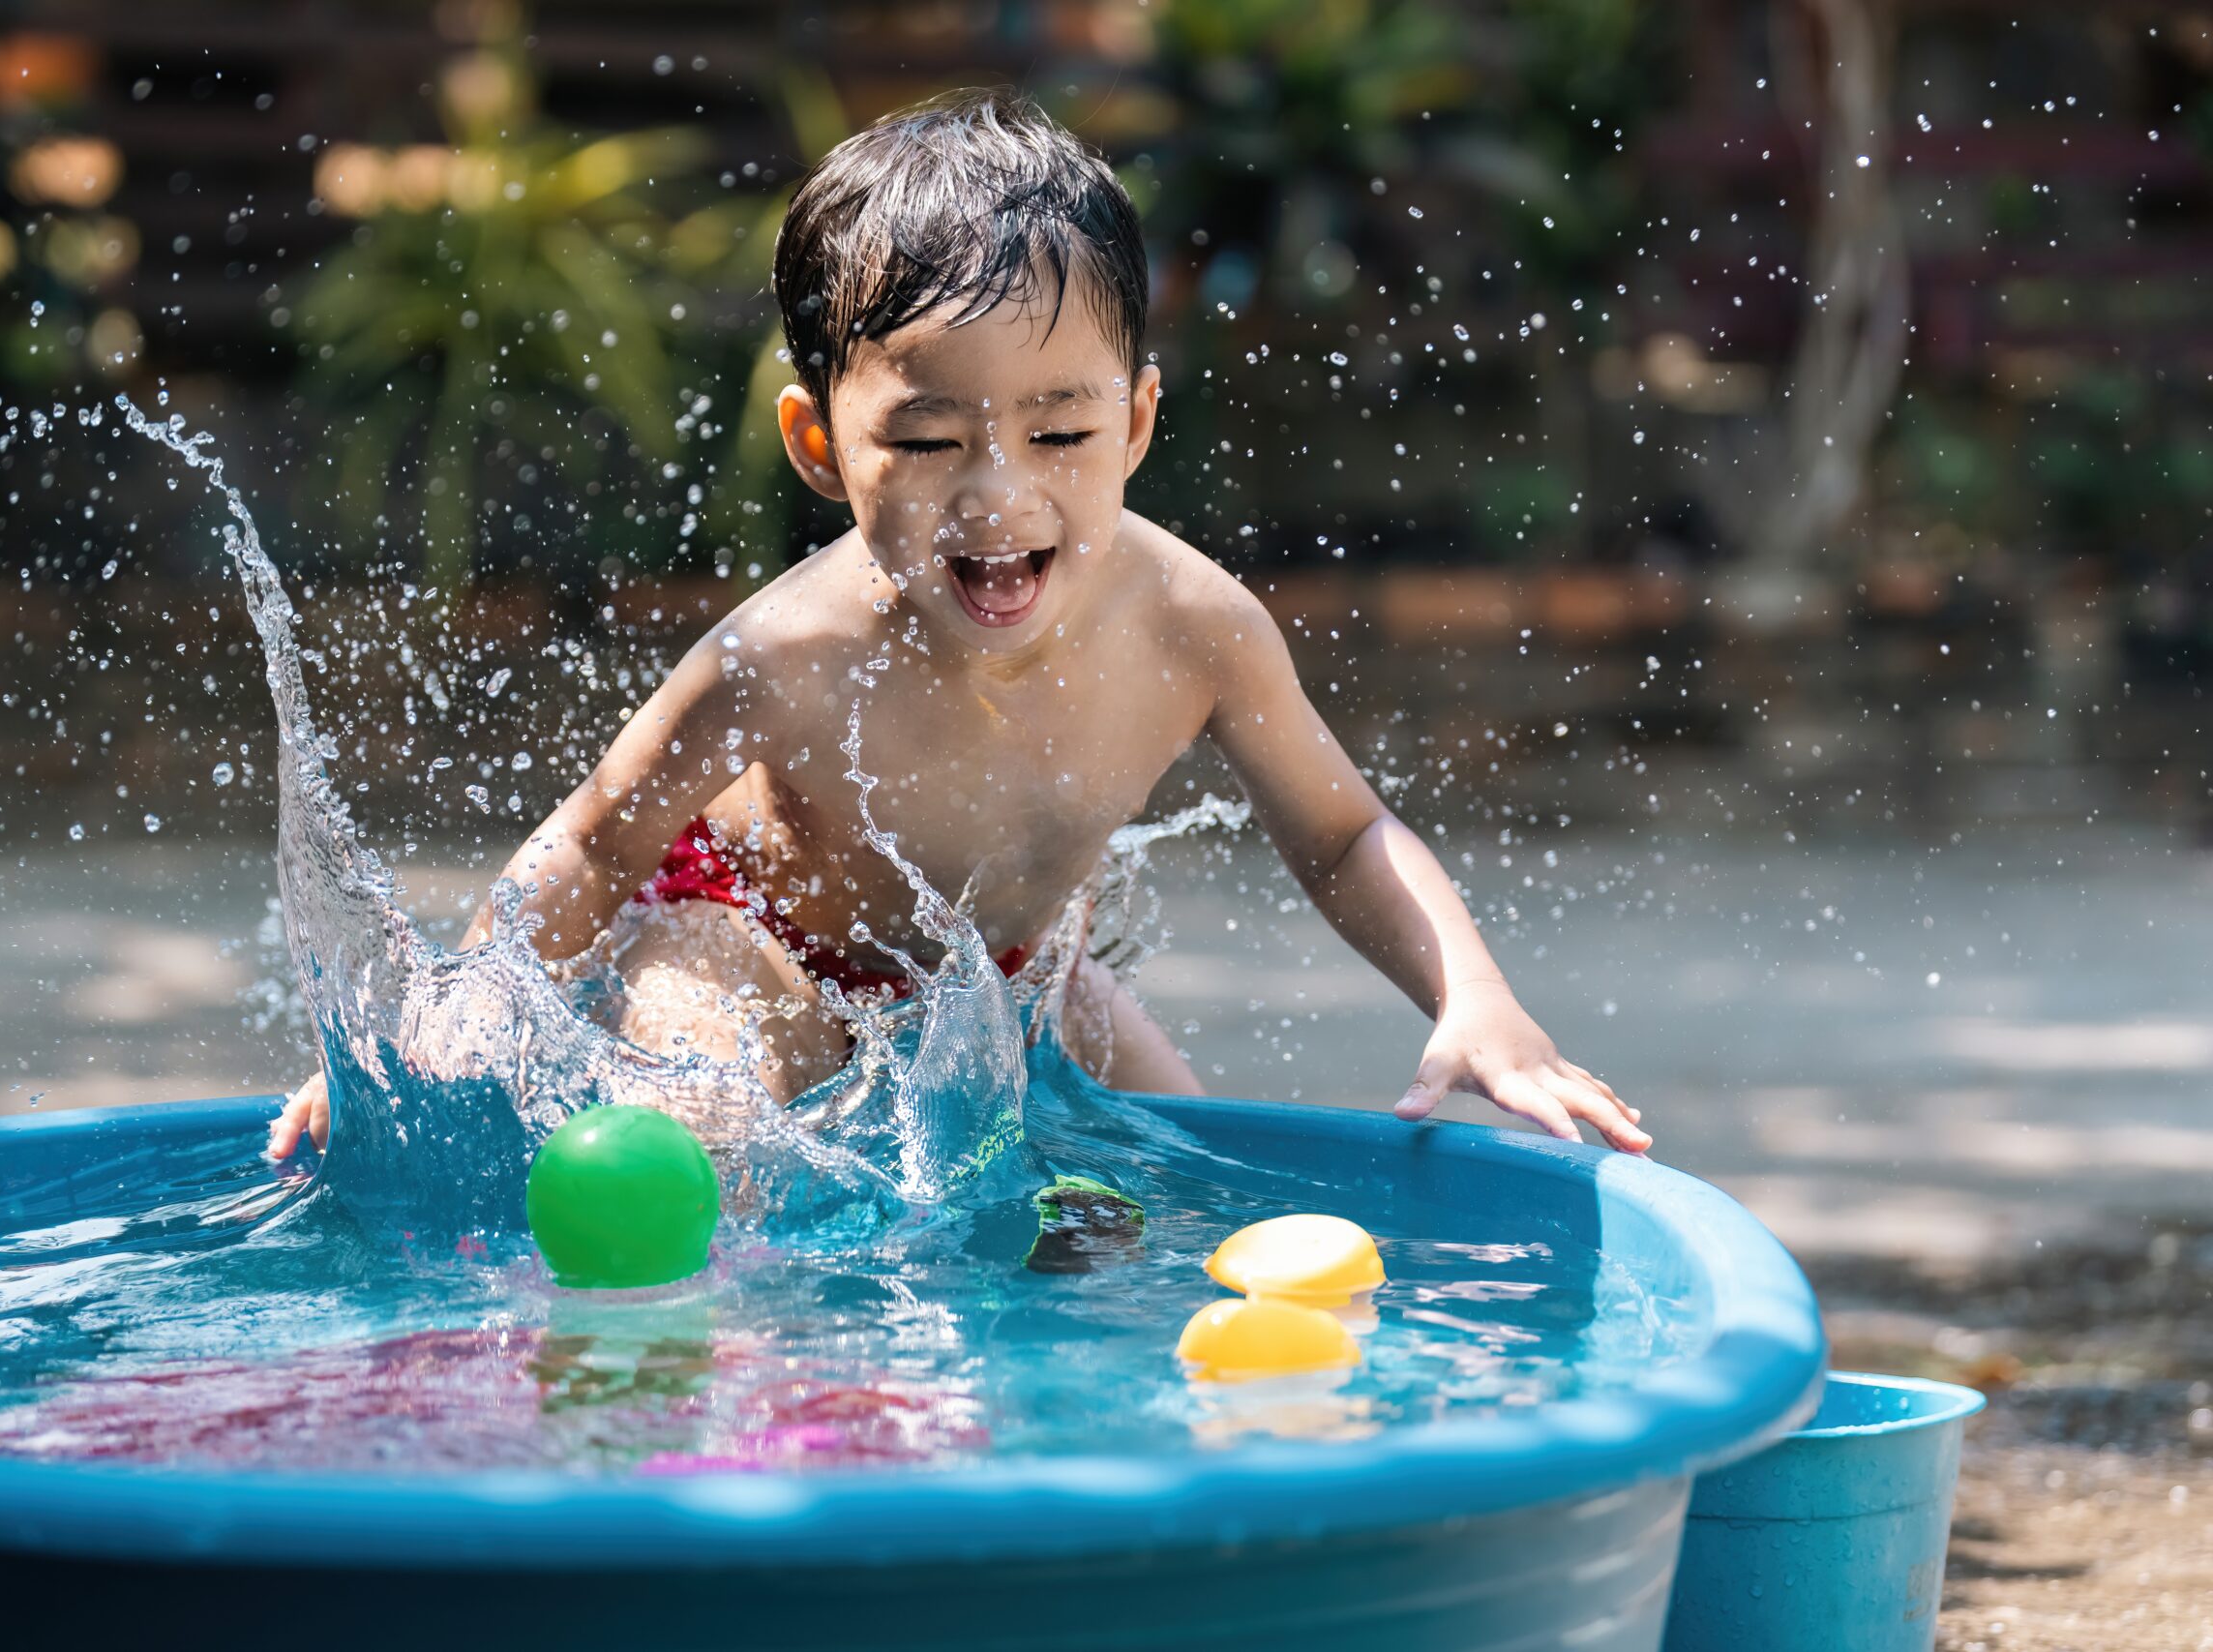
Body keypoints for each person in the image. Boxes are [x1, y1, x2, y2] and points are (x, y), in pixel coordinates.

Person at [267, 90, 1645, 1160]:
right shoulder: (780, 657)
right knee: (702, 1147)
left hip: (1000, 985)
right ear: (818, 445)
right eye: (926, 439)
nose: (999, 495)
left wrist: (1475, 997)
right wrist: (437, 1024)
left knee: (1181, 1176)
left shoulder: (1193, 625)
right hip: (745, 945)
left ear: (1140, 421)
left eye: (1059, 430)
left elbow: (1343, 834)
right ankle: (721, 1410)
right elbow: (598, 837)